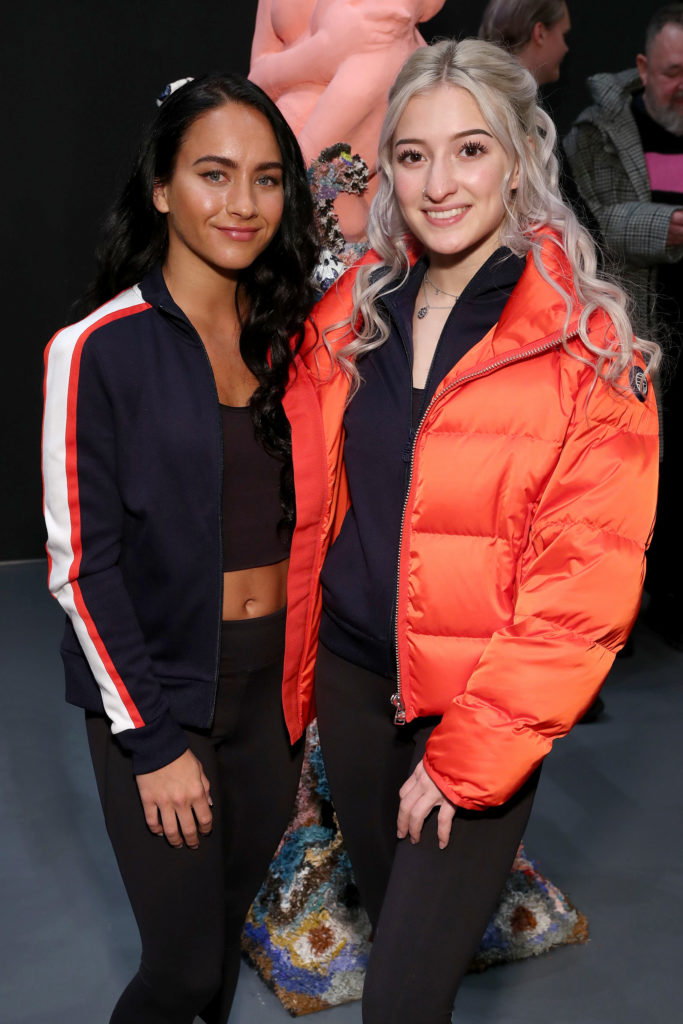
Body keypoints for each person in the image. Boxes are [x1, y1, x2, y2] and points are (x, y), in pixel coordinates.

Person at [299, 37, 659, 1023]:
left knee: (398, 1000)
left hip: (477, 710)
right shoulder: (351, 312)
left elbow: (579, 590)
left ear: (517, 157)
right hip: (352, 687)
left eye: (469, 150)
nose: (437, 183)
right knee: (398, 949)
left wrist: (470, 759)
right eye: (411, 155)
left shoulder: (585, 344)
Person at [41, 73, 324, 1023]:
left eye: (267, 178)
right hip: (157, 694)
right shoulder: (96, 347)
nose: (243, 203)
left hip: (271, 696)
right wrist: (153, 742)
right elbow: (81, 569)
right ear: (161, 187)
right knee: (183, 970)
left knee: (223, 946)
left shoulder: (297, 337)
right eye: (213, 173)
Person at [563, 4, 683, 648]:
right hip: (638, 330)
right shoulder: (600, 133)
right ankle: (621, 615)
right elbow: (590, 224)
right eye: (672, 72)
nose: (682, 86)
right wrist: (664, 225)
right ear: (642, 66)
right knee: (634, 477)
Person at [249, 0, 446, 240]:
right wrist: (320, 52)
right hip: (280, 144)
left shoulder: (386, 28)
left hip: (350, 184)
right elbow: (255, 81)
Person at [478, 0, 570, 84]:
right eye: (564, 35)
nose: (566, 49)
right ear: (540, 33)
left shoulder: (478, 88)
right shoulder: (507, 94)